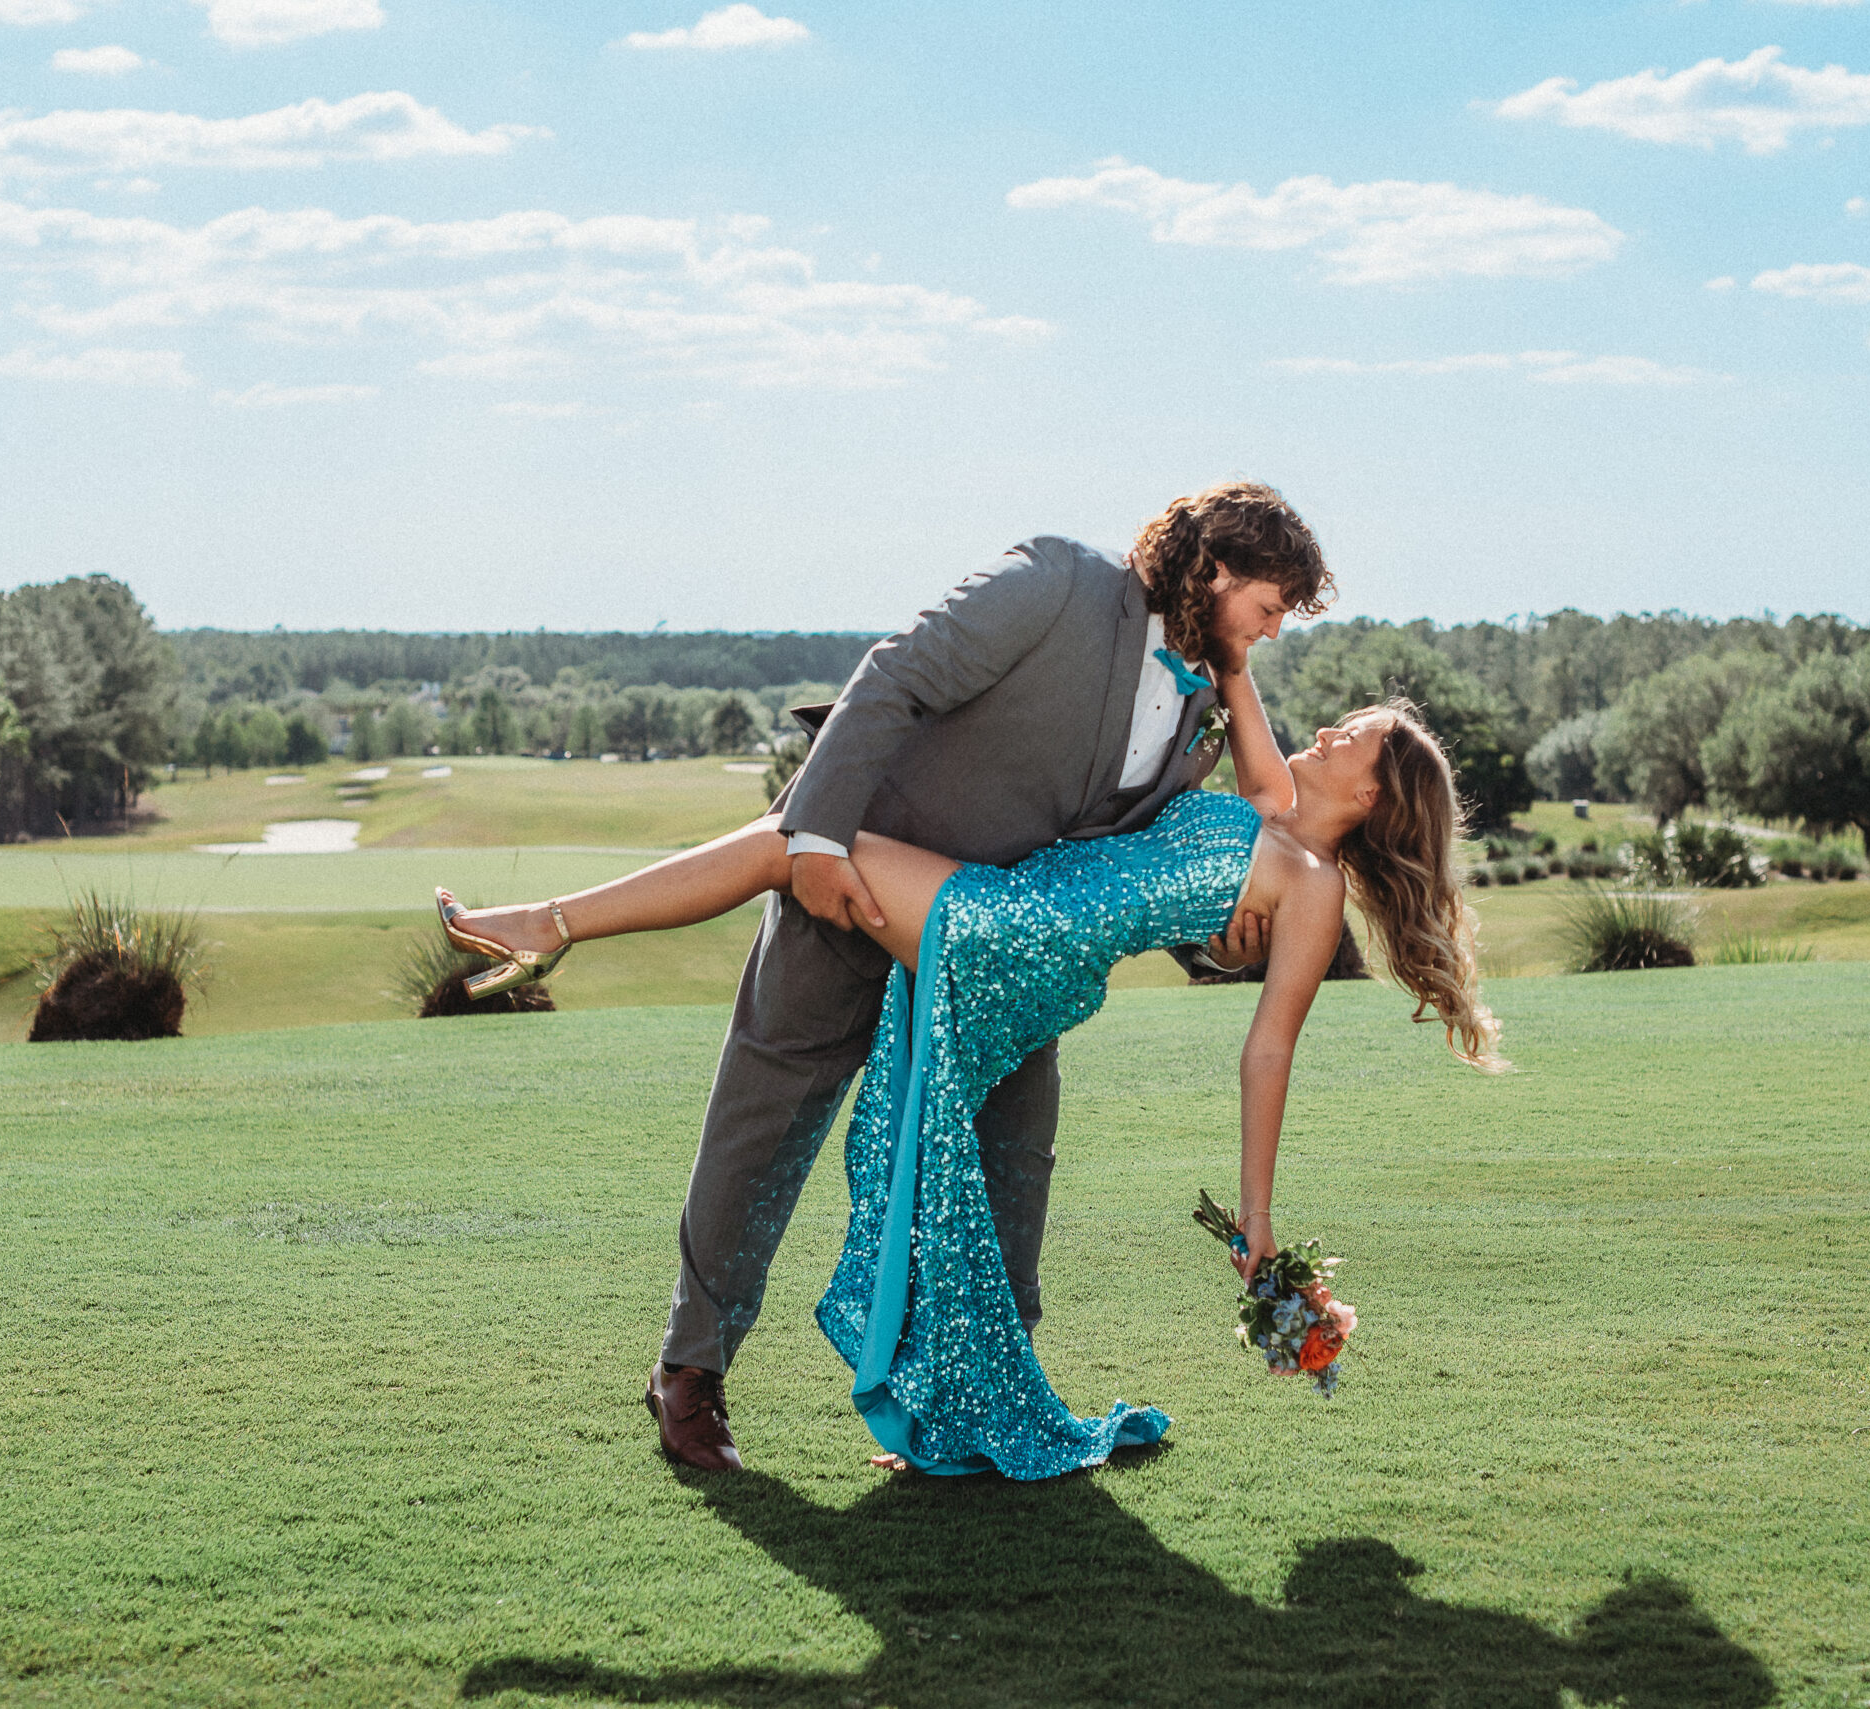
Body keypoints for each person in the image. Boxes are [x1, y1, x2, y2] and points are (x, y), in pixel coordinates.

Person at [440, 657, 1505, 1477]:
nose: (1324, 734)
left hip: (1015, 933)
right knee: (940, 1171)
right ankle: (951, 1409)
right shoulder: (1271, 803)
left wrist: (1259, 1224)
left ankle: (549, 923)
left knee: (790, 839)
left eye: (1350, 739)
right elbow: (1233, 667)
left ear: (1375, 795)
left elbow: (1266, 1050)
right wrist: (1208, 612)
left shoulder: (1313, 887)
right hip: (1019, 923)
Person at [546, 484, 1337, 1473]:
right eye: (1267, 608)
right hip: (858, 877)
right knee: (765, 1124)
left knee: (1017, 1162)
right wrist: (823, 838)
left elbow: (1127, 869)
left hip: (996, 956)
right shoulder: (1054, 580)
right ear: (1216, 567)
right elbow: (895, 676)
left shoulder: (1202, 705)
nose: (1266, 633)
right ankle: (690, 1372)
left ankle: (975, 1408)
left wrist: (1222, 945)